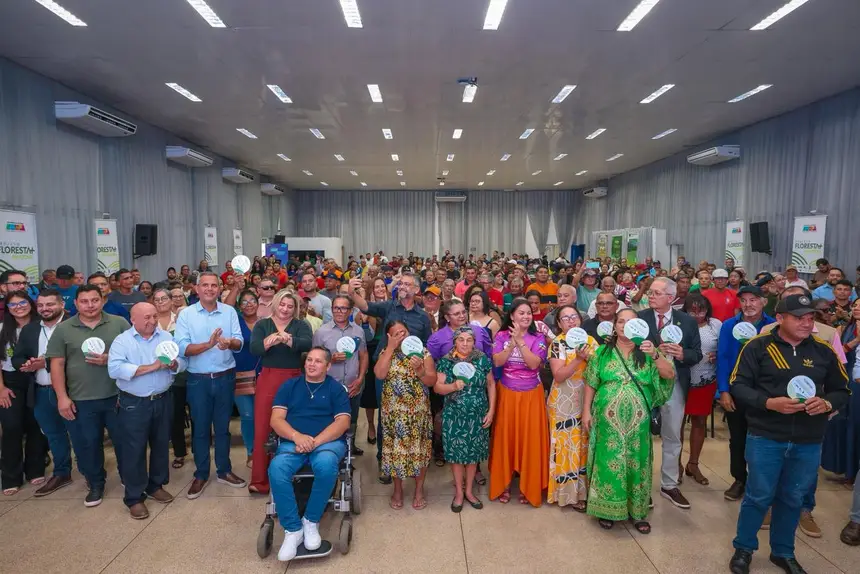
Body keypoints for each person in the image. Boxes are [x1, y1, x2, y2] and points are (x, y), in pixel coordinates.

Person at [728, 294, 849, 574]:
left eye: (810, 318)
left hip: (808, 439)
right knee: (758, 496)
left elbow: (841, 390)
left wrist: (827, 403)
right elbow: (739, 385)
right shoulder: (758, 346)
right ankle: (744, 548)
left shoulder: (823, 350)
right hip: (766, 435)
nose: (807, 323)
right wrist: (768, 403)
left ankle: (783, 552)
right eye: (799, 318)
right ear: (780, 318)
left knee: (793, 497)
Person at [583, 308, 676, 532]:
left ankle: (638, 511)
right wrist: (586, 411)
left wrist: (655, 355)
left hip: (638, 424)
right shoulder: (602, 353)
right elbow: (591, 383)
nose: (625, 326)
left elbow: (669, 375)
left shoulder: (648, 352)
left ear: (640, 327)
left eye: (631, 322)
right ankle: (606, 509)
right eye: (621, 322)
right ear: (614, 326)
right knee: (608, 461)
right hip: (607, 424)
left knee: (637, 462)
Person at [45, 285, 130, 507]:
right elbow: (56, 364)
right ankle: (96, 483)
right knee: (88, 445)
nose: (90, 305)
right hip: (81, 399)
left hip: (117, 396)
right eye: (84, 301)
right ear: (75, 303)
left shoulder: (119, 323)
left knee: (124, 441)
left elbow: (133, 354)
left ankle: (129, 478)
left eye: (94, 300)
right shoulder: (63, 329)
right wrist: (62, 397)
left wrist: (109, 358)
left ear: (103, 300)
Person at [267, 347, 351, 561]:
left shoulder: (336, 389)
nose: (312, 364)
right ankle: (293, 529)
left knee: (326, 465)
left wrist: (314, 442)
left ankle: (311, 521)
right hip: (293, 442)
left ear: (328, 366)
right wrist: (297, 437)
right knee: (276, 469)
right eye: (309, 360)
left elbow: (343, 422)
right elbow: (276, 420)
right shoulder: (289, 386)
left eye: (318, 361)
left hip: (327, 443)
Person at [108, 303, 186, 519]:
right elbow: (114, 369)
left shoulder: (165, 337)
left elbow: (183, 361)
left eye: (154, 316)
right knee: (134, 449)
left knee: (161, 444)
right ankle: (134, 497)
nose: (152, 321)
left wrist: (175, 365)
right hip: (134, 403)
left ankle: (156, 485)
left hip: (163, 399)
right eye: (147, 318)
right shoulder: (122, 341)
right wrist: (152, 367)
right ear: (133, 319)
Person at [174, 271, 246, 499]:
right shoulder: (186, 314)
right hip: (198, 380)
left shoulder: (229, 311)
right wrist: (209, 344)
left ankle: (224, 470)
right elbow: (182, 348)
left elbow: (239, 342)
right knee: (201, 429)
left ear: (219, 288)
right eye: (204, 285)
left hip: (225, 377)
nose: (209, 289)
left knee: (223, 428)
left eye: (214, 285)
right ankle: (201, 473)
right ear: (196, 289)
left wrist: (230, 343)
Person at [638, 277, 702, 510]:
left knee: (673, 436)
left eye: (656, 293)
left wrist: (682, 354)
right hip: (643, 384)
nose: (651, 296)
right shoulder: (639, 319)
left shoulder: (687, 321)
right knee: (639, 437)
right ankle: (640, 486)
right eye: (650, 292)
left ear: (671, 297)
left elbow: (697, 354)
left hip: (674, 384)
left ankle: (669, 484)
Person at [248, 290, 312, 494]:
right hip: (268, 377)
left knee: (293, 424)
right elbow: (254, 348)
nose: (285, 309)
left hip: (294, 378)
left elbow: (307, 344)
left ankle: (292, 476)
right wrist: (270, 341)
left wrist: (288, 340)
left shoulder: (301, 325)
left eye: (290, 306)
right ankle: (260, 480)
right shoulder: (263, 325)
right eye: (282, 304)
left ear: (295, 309)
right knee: (263, 426)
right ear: (275, 304)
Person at [716, 285, 776, 502]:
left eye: (753, 300)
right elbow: (722, 358)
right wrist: (724, 391)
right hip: (737, 390)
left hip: (766, 392)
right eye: (744, 300)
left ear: (763, 302)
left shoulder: (772, 326)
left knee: (764, 439)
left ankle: (761, 482)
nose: (748, 305)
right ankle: (739, 479)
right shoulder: (729, 325)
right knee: (738, 437)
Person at [11, 289, 73, 496]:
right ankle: (62, 472)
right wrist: (27, 364)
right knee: (54, 436)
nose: (45, 308)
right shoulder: (30, 329)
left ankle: (92, 475)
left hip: (71, 391)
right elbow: (16, 358)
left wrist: (45, 362)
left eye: (50, 304)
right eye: (41, 305)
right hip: (40, 391)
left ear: (62, 305)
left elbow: (79, 358)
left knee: (82, 435)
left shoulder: (73, 325)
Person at [489, 298, 549, 507]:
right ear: (512, 315)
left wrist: (521, 342)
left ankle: (528, 485)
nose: (526, 316)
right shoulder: (501, 336)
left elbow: (534, 364)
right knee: (506, 437)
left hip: (531, 395)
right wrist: (511, 344)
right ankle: (504, 484)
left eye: (528, 313)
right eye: (521, 313)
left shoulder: (538, 337)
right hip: (507, 393)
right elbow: (498, 361)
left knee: (529, 439)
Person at [374, 321, 436, 510]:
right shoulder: (386, 353)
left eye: (404, 332)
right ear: (389, 337)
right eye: (396, 334)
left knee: (419, 451)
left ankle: (419, 490)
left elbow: (432, 381)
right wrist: (390, 348)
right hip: (393, 415)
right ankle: (398, 490)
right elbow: (379, 374)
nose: (401, 336)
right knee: (396, 452)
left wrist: (421, 371)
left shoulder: (423, 352)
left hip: (418, 413)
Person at [434, 326, 495, 512]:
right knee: (457, 455)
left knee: (473, 455)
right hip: (455, 415)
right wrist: (453, 386)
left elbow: (491, 384)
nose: (465, 343)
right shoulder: (446, 361)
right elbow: (437, 387)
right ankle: (459, 493)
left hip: (478, 415)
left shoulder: (481, 359)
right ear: (455, 341)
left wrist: (491, 411)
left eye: (469, 340)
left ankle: (469, 491)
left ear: (474, 342)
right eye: (461, 339)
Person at [547, 306, 597, 511]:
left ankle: (584, 493)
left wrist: (589, 357)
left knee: (584, 445)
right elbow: (558, 375)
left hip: (586, 398)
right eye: (565, 318)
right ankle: (566, 495)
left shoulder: (591, 342)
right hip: (563, 402)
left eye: (574, 316)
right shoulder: (558, 343)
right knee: (566, 447)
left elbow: (598, 370)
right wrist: (578, 358)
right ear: (559, 324)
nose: (570, 321)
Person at [0, 291, 47, 495]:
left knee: (36, 425)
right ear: (8, 309)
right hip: (10, 382)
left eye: (22, 302)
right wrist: (1, 388)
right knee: (11, 427)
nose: (18, 307)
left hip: (36, 379)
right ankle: (11, 477)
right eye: (13, 304)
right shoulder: (2, 330)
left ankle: (35, 469)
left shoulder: (42, 326)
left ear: (30, 303)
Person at [313, 295, 369, 455]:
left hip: (352, 385)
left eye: (343, 308)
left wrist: (360, 379)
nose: (339, 311)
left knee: (352, 418)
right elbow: (314, 359)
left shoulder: (358, 331)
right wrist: (331, 358)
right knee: (330, 420)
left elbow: (363, 355)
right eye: (336, 308)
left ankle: (349, 450)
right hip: (329, 387)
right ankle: (331, 452)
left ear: (350, 311)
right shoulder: (321, 332)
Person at [679, 294, 721, 486]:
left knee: (699, 421)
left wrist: (717, 356)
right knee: (677, 423)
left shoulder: (715, 325)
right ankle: (676, 465)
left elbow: (724, 350)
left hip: (705, 379)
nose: (697, 314)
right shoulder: (679, 324)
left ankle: (693, 464)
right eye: (692, 311)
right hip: (681, 379)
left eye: (701, 310)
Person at [233, 289, 262, 468]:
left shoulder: (265, 323)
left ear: (258, 304)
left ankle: (265, 452)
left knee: (264, 416)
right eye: (244, 301)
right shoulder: (235, 323)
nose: (249, 304)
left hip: (264, 375)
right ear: (239, 306)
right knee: (248, 416)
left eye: (252, 301)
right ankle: (251, 452)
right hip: (241, 376)